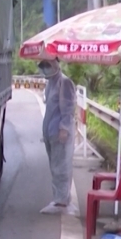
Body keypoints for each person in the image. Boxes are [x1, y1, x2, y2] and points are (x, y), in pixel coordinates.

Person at [38, 58, 79, 216]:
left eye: (48, 65)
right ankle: (60, 198)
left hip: (60, 133)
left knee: (61, 167)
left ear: (56, 63)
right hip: (50, 133)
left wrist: (64, 129)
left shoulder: (64, 83)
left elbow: (68, 108)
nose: (45, 68)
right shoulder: (51, 84)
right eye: (42, 65)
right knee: (55, 167)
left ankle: (61, 202)